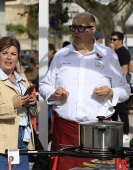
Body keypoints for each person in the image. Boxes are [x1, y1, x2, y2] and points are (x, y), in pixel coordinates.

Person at [39, 12, 130, 169]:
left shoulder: (108, 56)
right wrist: (53, 93)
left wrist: (111, 93)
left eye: (80, 28)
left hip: (99, 133)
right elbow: (44, 85)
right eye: (73, 27)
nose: (75, 32)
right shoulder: (61, 55)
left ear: (93, 29)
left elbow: (125, 89)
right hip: (65, 130)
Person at [0, 36, 40, 170]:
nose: (9, 58)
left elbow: (32, 113)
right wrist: (11, 105)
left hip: (22, 140)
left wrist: (33, 103)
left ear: (18, 57)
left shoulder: (22, 78)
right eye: (4, 53)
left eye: (13, 54)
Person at [110, 31, 131, 141]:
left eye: (114, 39)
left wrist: (118, 83)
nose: (111, 41)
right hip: (114, 85)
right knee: (113, 109)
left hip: (120, 85)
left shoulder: (123, 52)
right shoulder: (115, 52)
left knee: (122, 110)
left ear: (120, 41)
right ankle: (114, 132)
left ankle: (125, 133)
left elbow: (124, 70)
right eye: (111, 39)